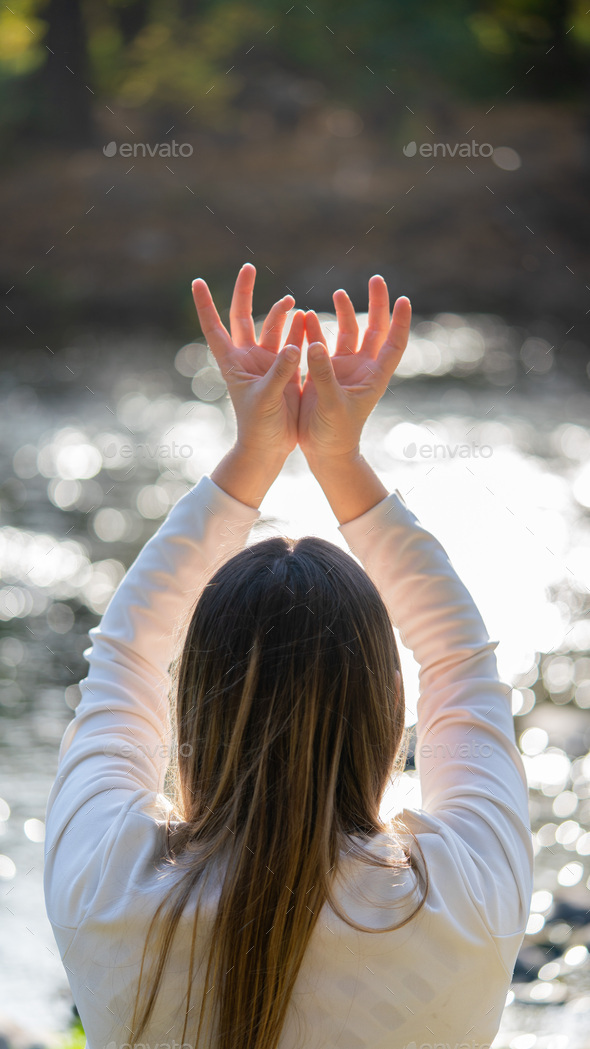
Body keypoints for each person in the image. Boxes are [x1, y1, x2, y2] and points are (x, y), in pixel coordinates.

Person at [43, 263, 534, 1049]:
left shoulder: (107, 886)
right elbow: (462, 664)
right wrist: (341, 460)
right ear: (390, 716)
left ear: (190, 710)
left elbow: (125, 657)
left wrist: (252, 454)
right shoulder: (465, 902)